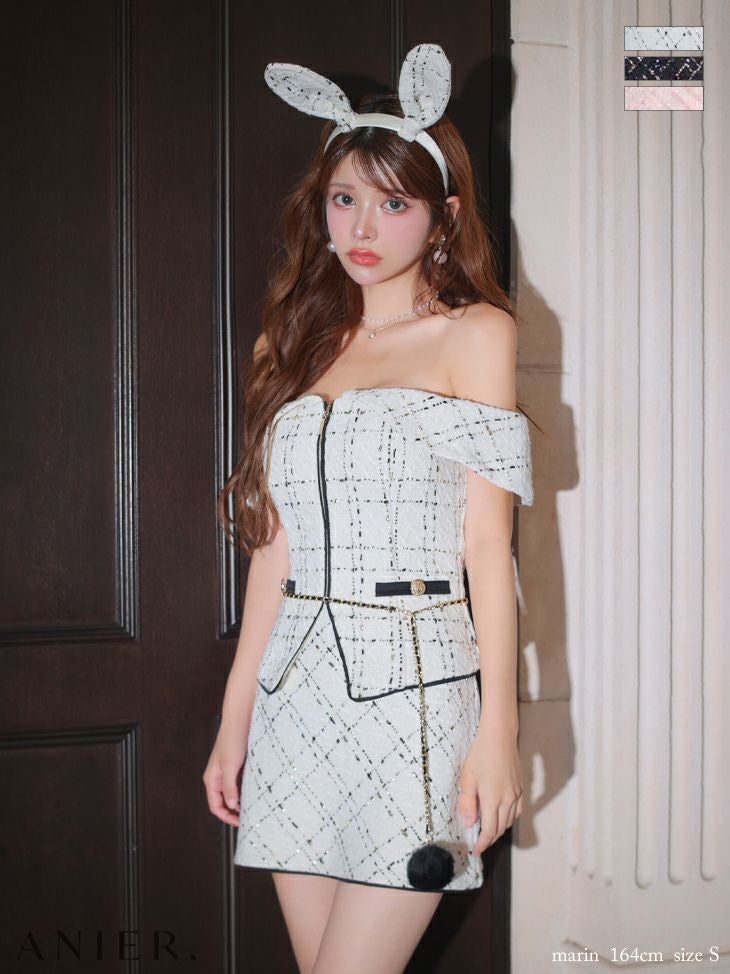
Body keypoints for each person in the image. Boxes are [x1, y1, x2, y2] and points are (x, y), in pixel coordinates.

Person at [203, 43, 534, 974]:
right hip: (294, 700)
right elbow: (273, 550)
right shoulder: (289, 339)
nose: (361, 226)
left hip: (418, 702)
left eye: (393, 204)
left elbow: (487, 545)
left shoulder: (477, 334)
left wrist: (499, 733)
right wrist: (234, 722)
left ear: (444, 216)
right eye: (344, 198)